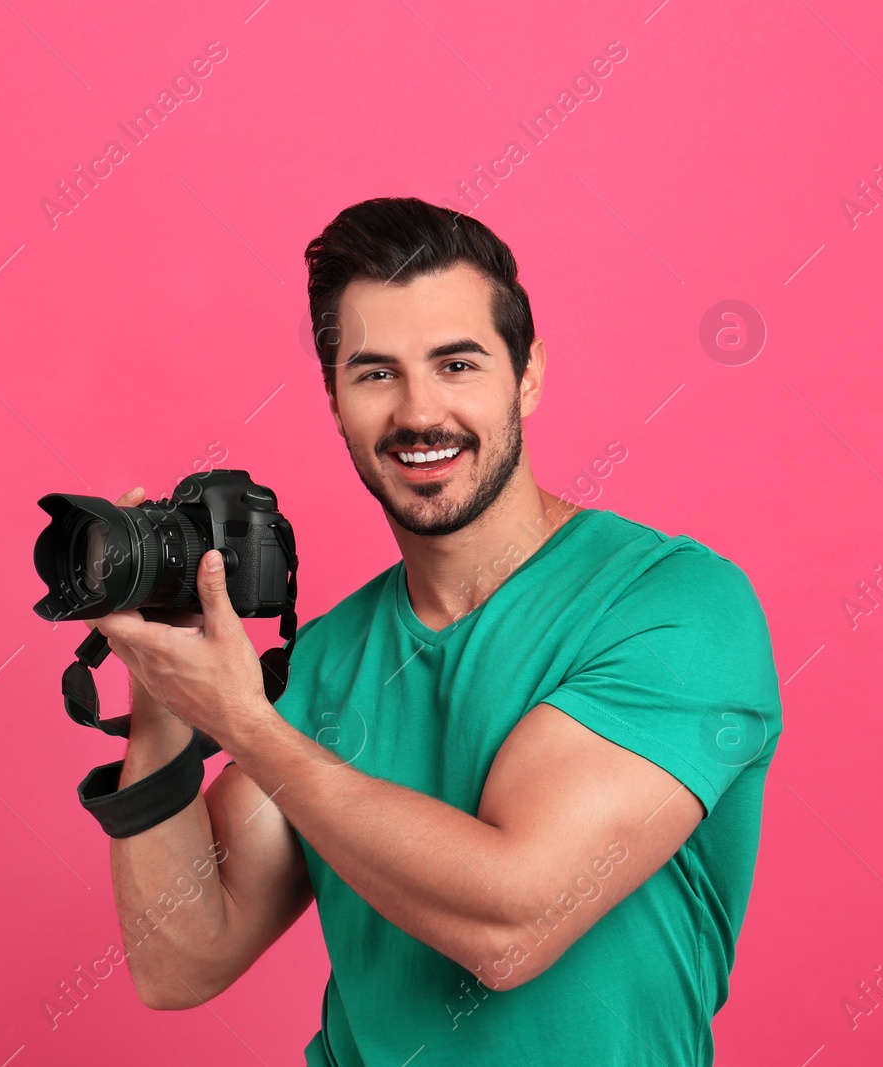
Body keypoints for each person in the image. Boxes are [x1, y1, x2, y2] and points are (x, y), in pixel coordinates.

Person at [89, 197, 783, 1066]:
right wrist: (159, 692)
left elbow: (513, 925)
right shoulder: (327, 662)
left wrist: (246, 723)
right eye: (375, 373)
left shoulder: (673, 605)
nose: (420, 413)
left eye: (457, 363)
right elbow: (180, 960)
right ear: (335, 401)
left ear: (526, 373)